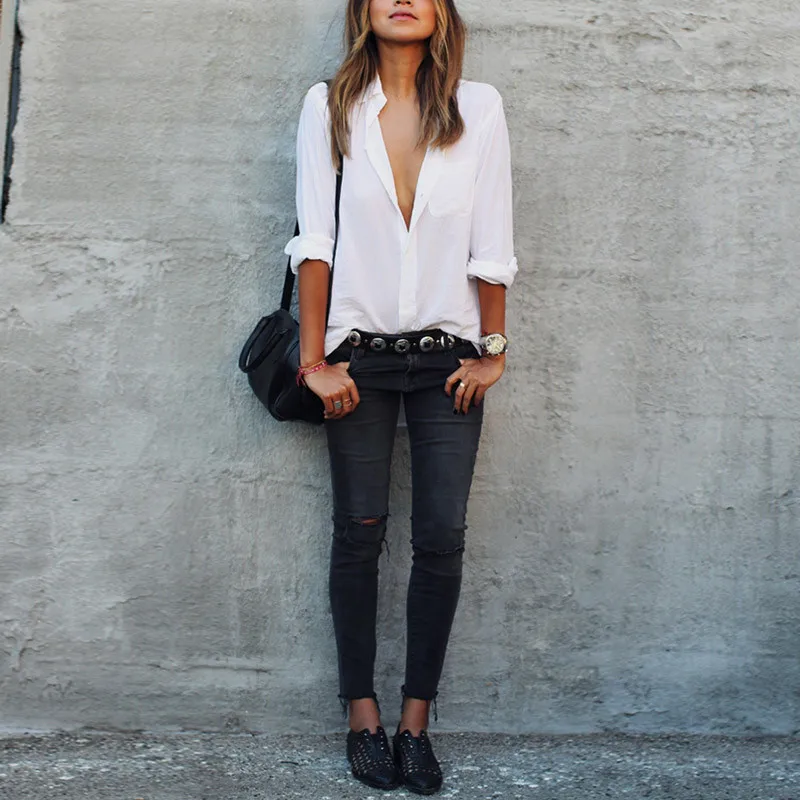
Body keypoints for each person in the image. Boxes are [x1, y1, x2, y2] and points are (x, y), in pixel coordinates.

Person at [285, 0, 516, 793]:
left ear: (443, 12)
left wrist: (494, 352)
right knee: (359, 534)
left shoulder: (478, 108)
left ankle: (416, 725)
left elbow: (493, 240)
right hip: (359, 361)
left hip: (449, 360)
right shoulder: (330, 106)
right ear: (362, 9)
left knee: (441, 538)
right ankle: (364, 718)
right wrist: (313, 362)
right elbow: (315, 241)